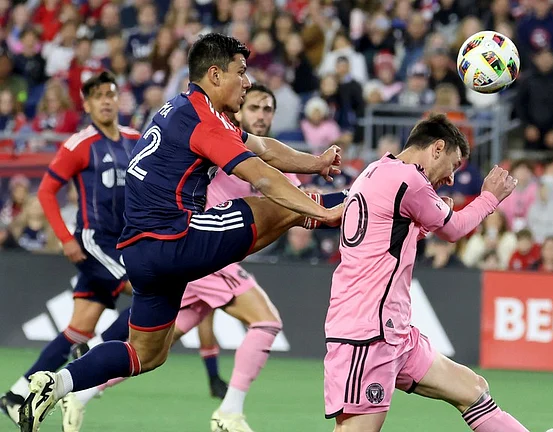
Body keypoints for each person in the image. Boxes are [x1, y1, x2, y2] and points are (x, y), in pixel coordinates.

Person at [19, 33, 344, 432]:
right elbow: (262, 174)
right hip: (174, 237)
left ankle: (57, 382)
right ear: (214, 74)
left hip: (141, 255)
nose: (246, 82)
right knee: (278, 204)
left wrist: (317, 161)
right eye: (240, 74)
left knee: (146, 354)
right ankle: (357, 203)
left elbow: (265, 148)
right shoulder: (204, 121)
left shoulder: (183, 108)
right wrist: (322, 212)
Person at [324, 113, 544, 432]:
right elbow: (453, 230)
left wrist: (422, 225)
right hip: (367, 333)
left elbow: (385, 237)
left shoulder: (376, 170)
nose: (452, 178)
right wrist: (490, 198)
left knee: (473, 391)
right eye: (453, 165)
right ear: (437, 148)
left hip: (395, 333)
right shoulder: (408, 180)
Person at [0, 71, 137, 426]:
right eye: (98, 96)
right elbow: (45, 191)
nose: (106, 100)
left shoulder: (136, 139)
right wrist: (65, 237)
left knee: (77, 327)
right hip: (96, 242)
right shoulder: (79, 144)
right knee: (151, 292)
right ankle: (88, 358)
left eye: (111, 93)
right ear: (88, 104)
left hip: (126, 243)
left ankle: (15, 396)